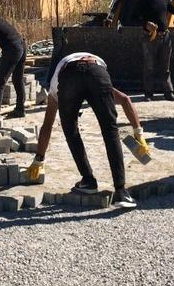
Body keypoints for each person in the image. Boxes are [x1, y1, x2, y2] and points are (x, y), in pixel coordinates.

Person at [25, 52, 151, 209]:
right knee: (110, 130)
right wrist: (138, 133)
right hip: (96, 75)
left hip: (69, 76)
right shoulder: (97, 68)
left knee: (70, 128)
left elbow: (47, 124)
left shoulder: (55, 82)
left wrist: (39, 158)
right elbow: (126, 99)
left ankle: (88, 181)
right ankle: (121, 192)